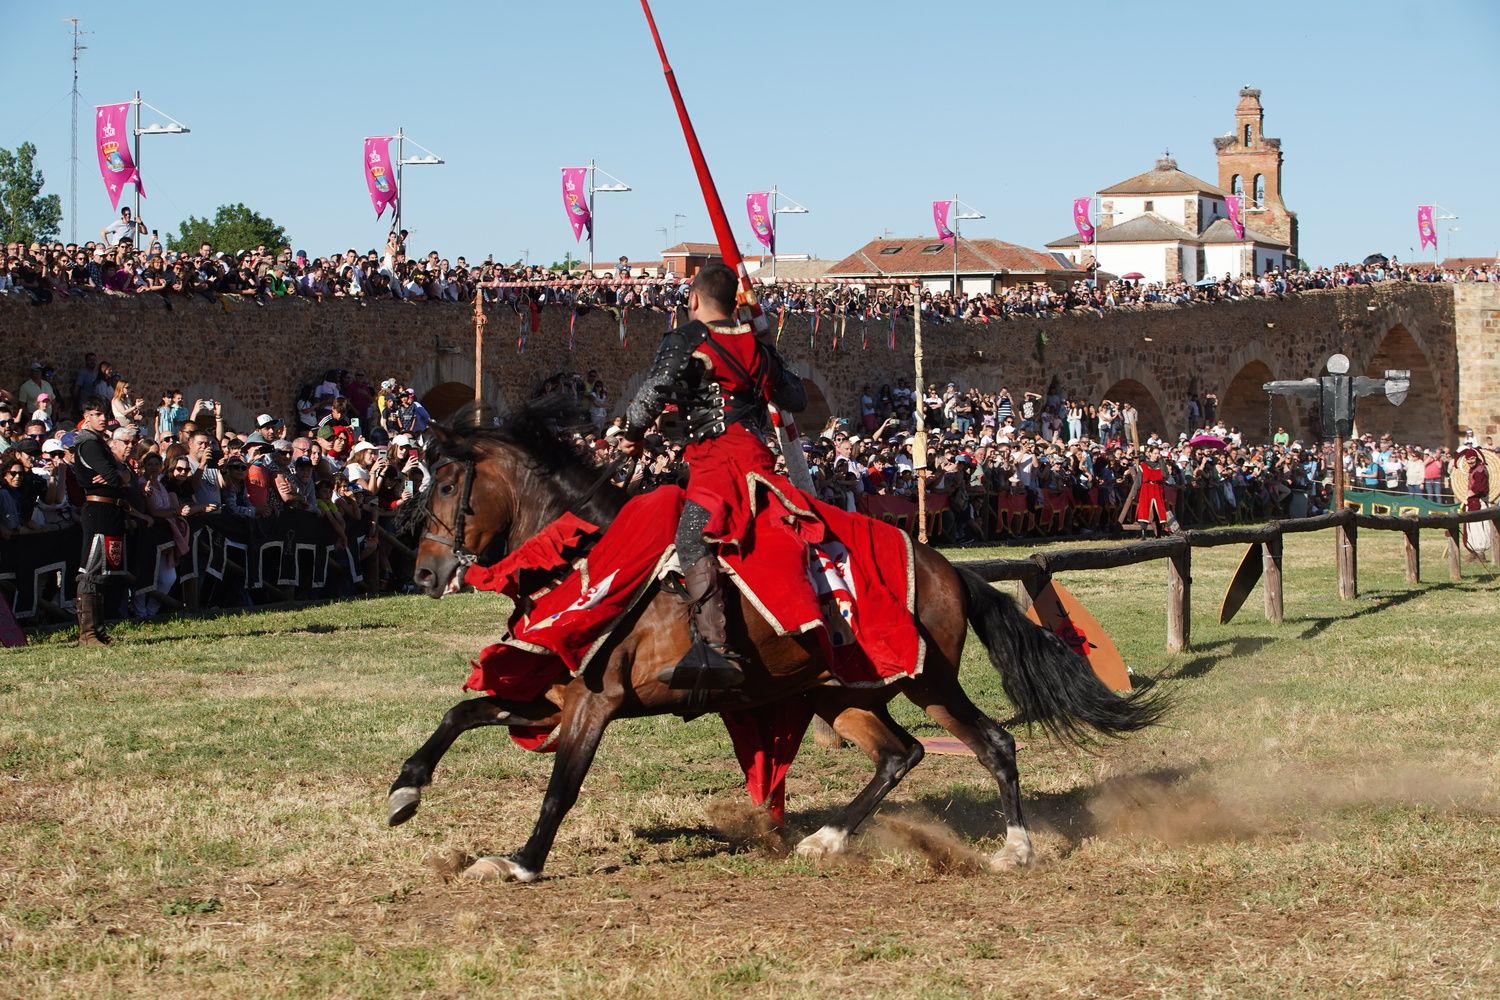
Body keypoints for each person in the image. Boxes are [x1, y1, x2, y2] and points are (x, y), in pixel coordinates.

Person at [618, 262, 807, 690]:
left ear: (694, 299)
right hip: (757, 454)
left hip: (717, 458)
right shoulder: (757, 345)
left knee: (690, 537)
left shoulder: (687, 337)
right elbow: (795, 397)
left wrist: (631, 434)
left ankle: (717, 648)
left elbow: (653, 391)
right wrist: (767, 355)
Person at [71, 403, 132, 644]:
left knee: (103, 571)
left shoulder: (99, 443)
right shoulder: (89, 444)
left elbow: (122, 474)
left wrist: (120, 474)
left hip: (110, 510)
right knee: (91, 571)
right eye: (96, 415)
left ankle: (98, 629)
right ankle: (87, 633)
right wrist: (118, 475)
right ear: (87, 417)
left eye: (104, 414)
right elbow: (113, 475)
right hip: (98, 511)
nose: (103, 419)